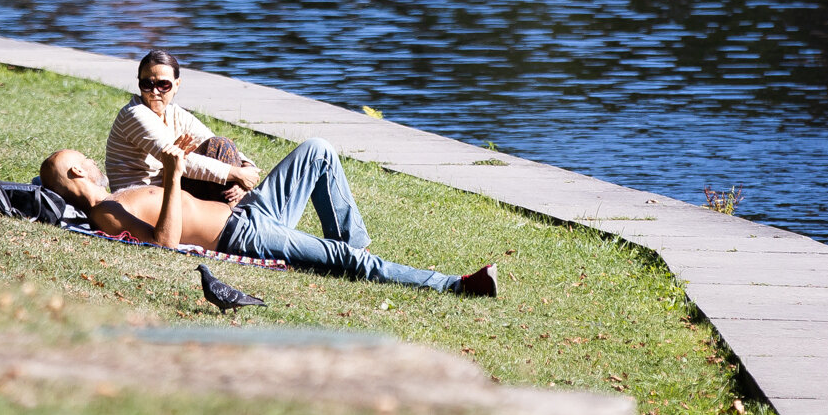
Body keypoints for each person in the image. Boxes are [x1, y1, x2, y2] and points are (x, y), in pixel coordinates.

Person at [41, 137, 498, 297]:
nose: (91, 158)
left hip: (245, 215)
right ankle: (456, 285)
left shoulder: (114, 198)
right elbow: (164, 245)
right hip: (242, 237)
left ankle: (349, 254)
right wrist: (175, 177)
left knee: (317, 152)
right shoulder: (103, 212)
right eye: (82, 157)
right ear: (78, 170)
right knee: (346, 261)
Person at [106, 50, 261, 201]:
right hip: (141, 201)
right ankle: (237, 216)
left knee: (220, 144)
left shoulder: (174, 113)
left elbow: (211, 141)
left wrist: (247, 167)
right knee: (220, 152)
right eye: (146, 84)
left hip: (166, 190)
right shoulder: (135, 114)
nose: (154, 92)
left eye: (163, 85)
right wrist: (237, 174)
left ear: (177, 84)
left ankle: (234, 212)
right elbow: (178, 161)